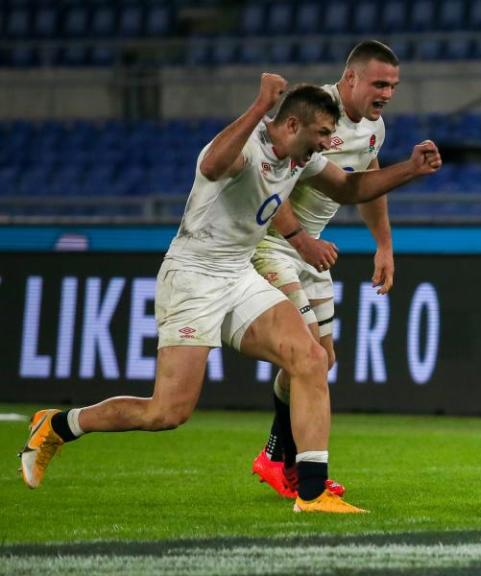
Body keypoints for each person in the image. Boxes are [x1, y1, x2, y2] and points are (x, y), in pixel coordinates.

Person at [18, 73, 442, 514]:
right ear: (292, 125)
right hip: (192, 278)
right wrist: (259, 107)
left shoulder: (299, 156)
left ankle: (312, 493)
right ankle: (58, 425)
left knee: (312, 358)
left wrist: (409, 170)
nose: (324, 145)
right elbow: (211, 166)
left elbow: (349, 188)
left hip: (238, 275)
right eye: (319, 135)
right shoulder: (246, 148)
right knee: (167, 413)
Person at [249, 40, 400, 500]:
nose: (387, 93)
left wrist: (384, 245)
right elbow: (262, 178)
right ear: (350, 78)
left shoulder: (375, 129)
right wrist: (300, 239)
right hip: (273, 242)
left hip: (311, 250)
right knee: (308, 358)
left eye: (393, 85)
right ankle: (290, 464)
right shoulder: (311, 111)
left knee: (322, 360)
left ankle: (276, 455)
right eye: (379, 83)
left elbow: (366, 184)